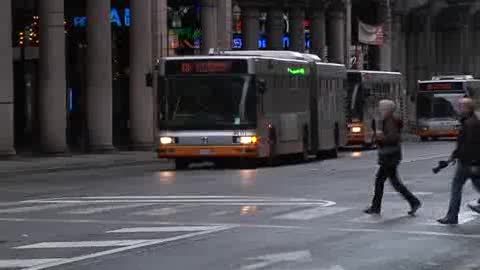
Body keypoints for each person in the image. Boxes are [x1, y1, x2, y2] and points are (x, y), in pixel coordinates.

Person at [364, 99, 422, 215]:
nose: (380, 110)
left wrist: (380, 138)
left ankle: (376, 207)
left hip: (389, 156)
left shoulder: (389, 121)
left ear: (387, 110)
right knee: (392, 182)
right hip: (391, 155)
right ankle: (413, 201)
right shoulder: (389, 120)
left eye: (381, 108)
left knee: (382, 181)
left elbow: (393, 137)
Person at [438, 98, 480, 224]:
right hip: (469, 161)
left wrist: (473, 162)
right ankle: (451, 216)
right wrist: (453, 156)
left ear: (467, 108)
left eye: (461, 106)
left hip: (468, 162)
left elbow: (472, 145)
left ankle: (452, 216)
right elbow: (463, 144)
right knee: (476, 184)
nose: (458, 109)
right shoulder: (470, 121)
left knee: (456, 186)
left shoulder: (470, 124)